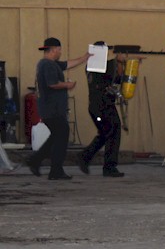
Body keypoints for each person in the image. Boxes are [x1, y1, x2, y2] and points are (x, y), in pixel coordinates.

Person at [27, 37, 92, 180]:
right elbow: (52, 84)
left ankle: (36, 161)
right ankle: (54, 170)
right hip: (52, 108)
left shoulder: (51, 64)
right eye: (59, 49)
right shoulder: (47, 65)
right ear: (54, 49)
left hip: (51, 108)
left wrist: (85, 57)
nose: (60, 52)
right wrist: (67, 85)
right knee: (62, 135)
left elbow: (68, 64)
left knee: (56, 136)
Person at [77, 41, 129, 177]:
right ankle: (105, 165)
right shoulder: (95, 65)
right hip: (102, 105)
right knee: (111, 131)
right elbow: (107, 74)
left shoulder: (95, 65)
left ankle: (87, 157)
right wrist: (119, 62)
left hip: (102, 105)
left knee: (107, 132)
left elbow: (112, 78)